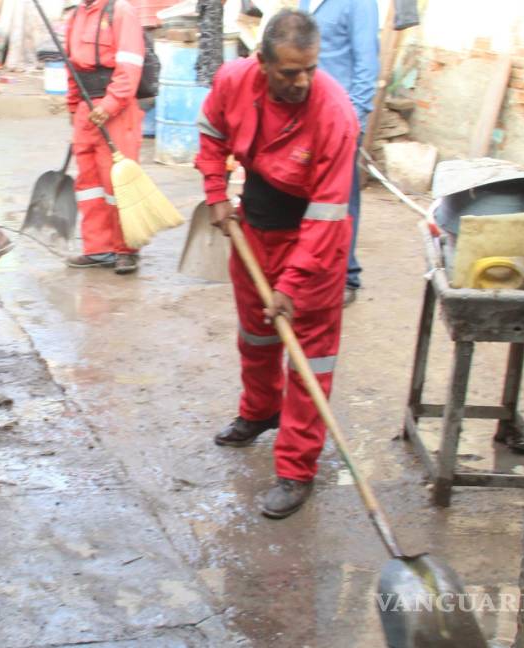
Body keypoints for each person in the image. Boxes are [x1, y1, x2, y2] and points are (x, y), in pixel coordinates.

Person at [196, 9, 357, 519]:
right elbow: (211, 132)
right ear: (261, 63)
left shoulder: (334, 113)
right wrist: (215, 192)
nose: (302, 81)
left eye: (310, 68)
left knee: (309, 360)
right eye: (289, 72)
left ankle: (296, 469)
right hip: (253, 230)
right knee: (257, 337)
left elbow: (328, 215)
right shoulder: (233, 81)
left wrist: (292, 282)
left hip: (313, 242)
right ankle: (260, 411)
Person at [299, 0, 378, 305]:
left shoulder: (359, 4)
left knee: (342, 200)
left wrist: (354, 121)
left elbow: (366, 64)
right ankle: (311, 271)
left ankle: (346, 276)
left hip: (341, 120)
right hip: (307, 116)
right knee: (312, 198)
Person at [63, 0, 146, 275]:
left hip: (117, 111)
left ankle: (126, 249)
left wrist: (110, 104)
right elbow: (71, 67)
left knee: (117, 182)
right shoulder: (75, 16)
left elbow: (130, 68)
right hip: (87, 111)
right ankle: (98, 248)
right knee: (89, 183)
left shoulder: (121, 12)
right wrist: (74, 106)